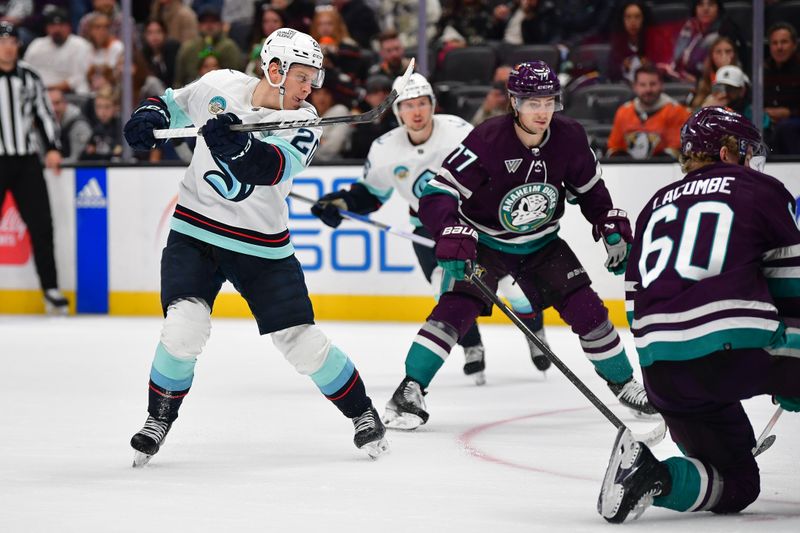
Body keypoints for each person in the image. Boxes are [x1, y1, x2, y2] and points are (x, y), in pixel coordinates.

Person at [122, 27, 389, 466]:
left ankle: (363, 413)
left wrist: (239, 146)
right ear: (275, 68)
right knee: (183, 328)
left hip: (261, 248)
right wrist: (148, 119)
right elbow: (169, 103)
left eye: (314, 79)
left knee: (300, 341)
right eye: (304, 77)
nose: (311, 89)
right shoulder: (218, 85)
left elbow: (269, 168)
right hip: (196, 233)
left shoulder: (305, 124)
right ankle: (158, 419)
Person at [380, 61, 659, 430]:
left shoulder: (571, 136)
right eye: (532, 103)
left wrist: (606, 220)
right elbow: (437, 193)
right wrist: (449, 229)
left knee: (590, 312)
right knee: (454, 311)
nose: (542, 112)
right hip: (487, 244)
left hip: (543, 244)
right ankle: (410, 388)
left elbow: (590, 192)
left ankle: (624, 384)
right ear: (514, 102)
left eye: (549, 102)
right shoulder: (488, 140)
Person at [598, 106, 800, 523]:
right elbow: (792, 286)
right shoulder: (761, 189)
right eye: (745, 150)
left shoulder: (654, 205)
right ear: (727, 153)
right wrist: (791, 369)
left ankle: (649, 476)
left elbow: (636, 301)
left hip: (664, 370)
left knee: (737, 483)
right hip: (737, 350)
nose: (750, 160)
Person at [311, 72, 551, 386]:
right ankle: (471, 346)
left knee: (511, 286)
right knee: (445, 288)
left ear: (433, 105)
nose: (417, 111)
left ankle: (535, 333)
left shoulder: (459, 132)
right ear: (398, 112)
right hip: (427, 228)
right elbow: (370, 194)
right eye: (408, 105)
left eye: (423, 103)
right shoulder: (385, 148)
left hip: (475, 221)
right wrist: (341, 204)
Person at [0, 21, 69, 315]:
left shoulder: (29, 76)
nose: (8, 46)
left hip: (27, 159)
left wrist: (53, 147)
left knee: (42, 225)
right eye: (3, 41)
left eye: (13, 41)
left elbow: (44, 114)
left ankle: (51, 289)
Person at [607, 65, 691, 160]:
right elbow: (614, 148)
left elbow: (675, 150)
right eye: (643, 85)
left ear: (661, 85)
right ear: (635, 87)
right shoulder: (623, 111)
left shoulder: (676, 111)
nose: (648, 89)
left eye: (653, 84)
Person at [22, 6, 92, 95]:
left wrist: (52, 89)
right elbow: (26, 70)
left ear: (69, 27)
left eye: (61, 25)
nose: (57, 29)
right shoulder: (37, 45)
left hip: (70, 94)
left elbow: (79, 78)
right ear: (46, 28)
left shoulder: (80, 45)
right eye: (52, 26)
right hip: (39, 93)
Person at [764, 22, 800, 155]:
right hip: (768, 121)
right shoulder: (762, 70)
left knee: (785, 128)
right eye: (775, 43)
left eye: (784, 42)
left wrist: (789, 113)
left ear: (794, 45)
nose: (779, 47)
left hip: (793, 121)